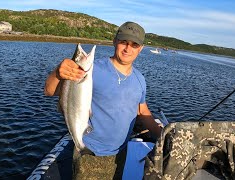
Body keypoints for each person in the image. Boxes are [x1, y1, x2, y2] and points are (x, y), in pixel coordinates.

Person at [44, 21, 161, 179]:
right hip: (91, 153)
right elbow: (49, 91)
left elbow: (142, 111)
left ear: (140, 49)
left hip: (121, 153)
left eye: (134, 45)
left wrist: (163, 134)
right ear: (114, 41)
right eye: (123, 42)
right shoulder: (93, 69)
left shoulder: (140, 79)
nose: (127, 48)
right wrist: (58, 72)